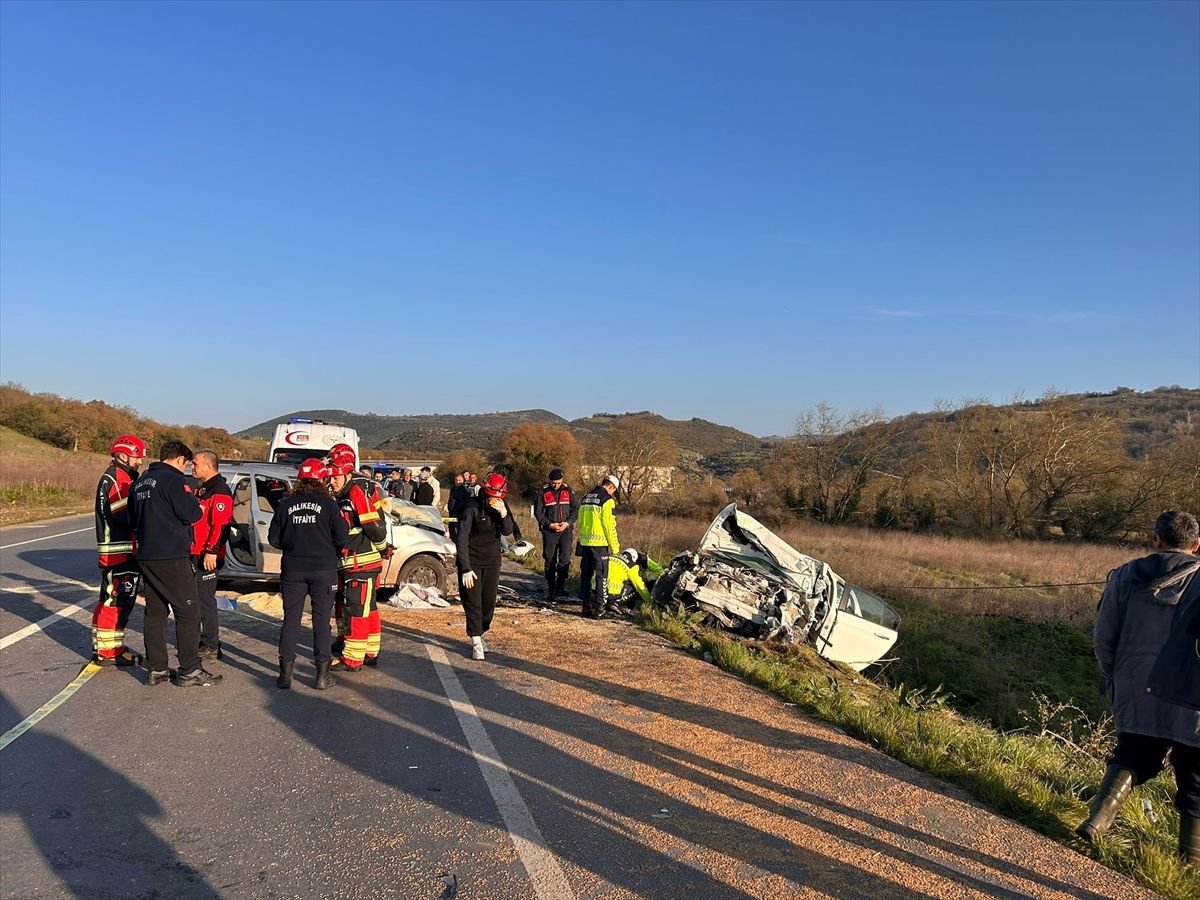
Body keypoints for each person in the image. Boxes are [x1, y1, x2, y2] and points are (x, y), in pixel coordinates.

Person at [1077, 510, 1200, 864]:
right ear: (1196, 545)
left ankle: (1097, 821)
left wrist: (1113, 676)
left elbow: (1104, 636)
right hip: (1192, 693)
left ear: (1156, 539)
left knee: (1133, 755)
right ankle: (1188, 867)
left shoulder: (1124, 576)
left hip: (1137, 684)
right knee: (1196, 779)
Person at [131, 440, 221, 686]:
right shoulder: (174, 481)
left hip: (146, 554)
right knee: (188, 611)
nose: (187, 468)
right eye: (186, 463)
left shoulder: (141, 482)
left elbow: (132, 518)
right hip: (170, 555)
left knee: (155, 612)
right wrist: (197, 506)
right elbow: (191, 513)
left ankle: (157, 668)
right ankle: (190, 669)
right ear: (180, 459)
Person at [268, 459, 348, 690]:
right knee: (321, 621)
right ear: (323, 479)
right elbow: (342, 537)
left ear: (299, 479)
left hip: (293, 569)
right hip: (323, 569)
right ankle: (322, 676)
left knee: (290, 620)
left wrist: (294, 543)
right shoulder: (329, 504)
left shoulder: (285, 504)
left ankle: (285, 676)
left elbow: (274, 539)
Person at [328, 443, 389, 670]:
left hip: (359, 562)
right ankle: (370, 651)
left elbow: (373, 525)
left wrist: (382, 548)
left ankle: (353, 658)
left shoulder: (355, 490)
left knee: (356, 608)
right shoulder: (351, 489)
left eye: (335, 476)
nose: (332, 481)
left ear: (346, 471)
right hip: (354, 562)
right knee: (366, 607)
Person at [91, 434, 147, 667]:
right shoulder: (118, 478)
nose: (140, 462)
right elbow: (124, 515)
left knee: (110, 599)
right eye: (137, 457)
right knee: (116, 601)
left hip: (117, 551)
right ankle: (108, 652)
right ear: (123, 455)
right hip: (120, 552)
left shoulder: (117, 475)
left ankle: (107, 647)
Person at [455, 472, 518, 660]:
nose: (494, 499)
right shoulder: (471, 508)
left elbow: (507, 530)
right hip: (472, 561)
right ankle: (475, 641)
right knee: (473, 602)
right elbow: (461, 539)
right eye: (491, 496)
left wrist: (503, 513)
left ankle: (481, 632)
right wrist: (465, 568)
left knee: (488, 603)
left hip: (492, 561)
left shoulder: (501, 505)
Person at [189, 450, 233, 661]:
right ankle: (203, 639)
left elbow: (221, 525)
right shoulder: (203, 488)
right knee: (197, 599)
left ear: (208, 465)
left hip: (207, 554)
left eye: (195, 464)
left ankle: (211, 644)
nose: (192, 467)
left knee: (205, 600)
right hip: (196, 551)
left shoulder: (219, 490)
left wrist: (211, 551)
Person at [576, 474, 621, 619]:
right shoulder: (607, 500)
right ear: (611, 487)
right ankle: (600, 609)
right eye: (614, 491)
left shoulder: (586, 497)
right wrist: (615, 547)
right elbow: (609, 525)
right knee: (602, 577)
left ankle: (585, 608)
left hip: (585, 542)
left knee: (586, 576)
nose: (613, 493)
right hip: (600, 544)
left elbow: (580, 520)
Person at [534, 467, 578, 601]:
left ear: (562, 480)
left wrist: (567, 523)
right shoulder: (542, 491)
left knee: (565, 558)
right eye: (554, 483)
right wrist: (549, 524)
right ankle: (551, 588)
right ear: (550, 481)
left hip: (565, 530)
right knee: (550, 559)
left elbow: (575, 508)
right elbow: (538, 512)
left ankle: (561, 587)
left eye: (558, 483)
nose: (556, 485)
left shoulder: (568, 490)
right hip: (550, 531)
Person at [604, 547, 663, 617]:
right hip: (613, 594)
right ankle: (616, 604)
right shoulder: (631, 565)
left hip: (599, 592)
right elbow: (640, 587)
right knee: (634, 588)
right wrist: (650, 602)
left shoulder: (611, 557)